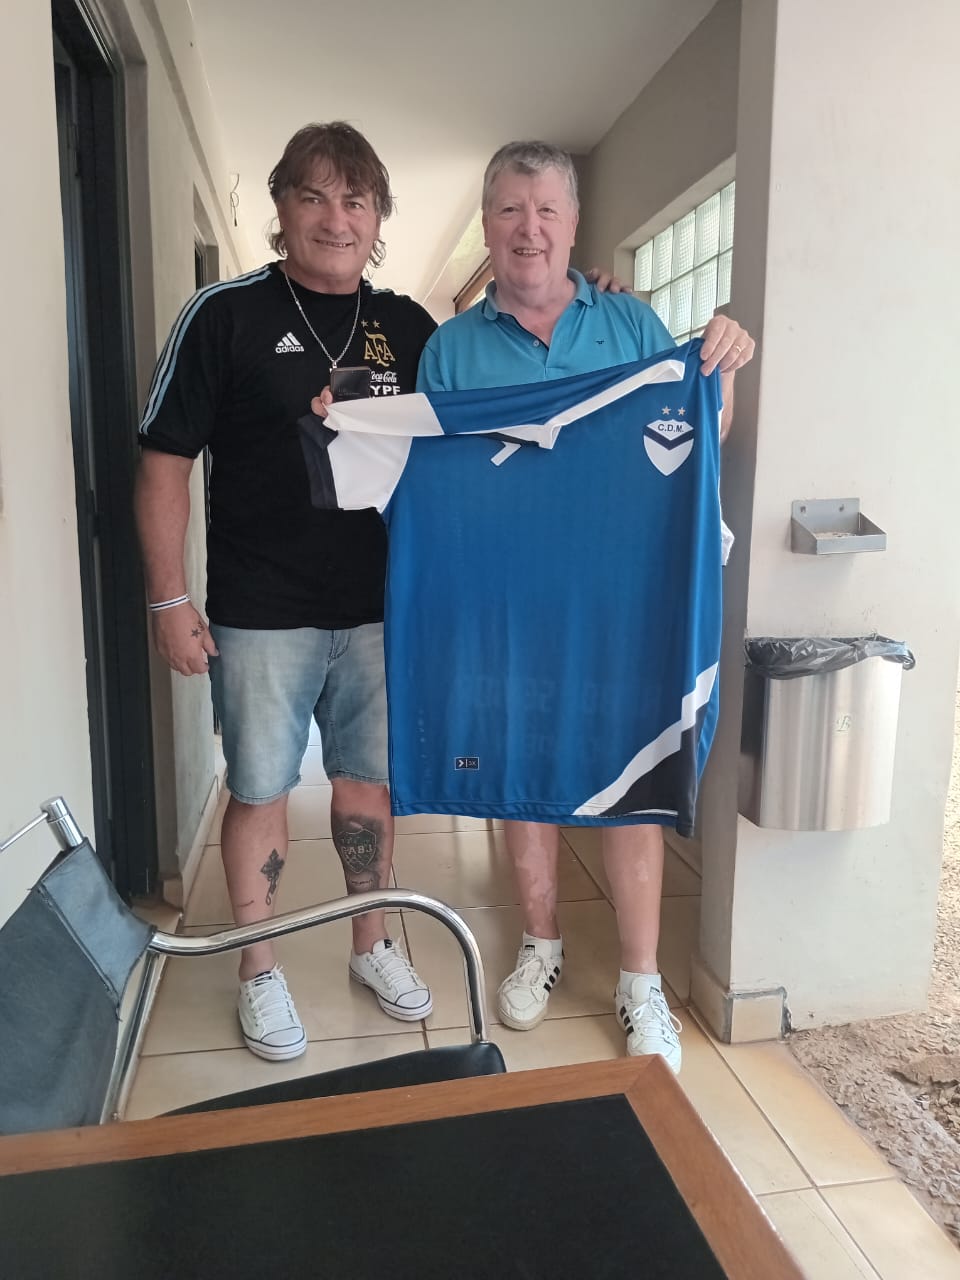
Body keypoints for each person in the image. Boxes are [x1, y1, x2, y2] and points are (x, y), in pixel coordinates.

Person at [415, 140, 755, 1072]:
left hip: (618, 606)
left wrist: (722, 364)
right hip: (507, 607)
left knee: (629, 781)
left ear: (572, 225)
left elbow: (698, 433)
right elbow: (429, 478)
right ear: (488, 226)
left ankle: (642, 982)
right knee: (520, 772)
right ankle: (541, 943)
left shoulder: (634, 325)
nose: (528, 229)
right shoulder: (451, 349)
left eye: (546, 211)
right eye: (509, 210)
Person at [134, 122, 438, 1061]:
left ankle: (370, 944)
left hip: (381, 608)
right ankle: (258, 969)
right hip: (261, 612)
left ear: (378, 218)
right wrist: (169, 601)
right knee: (261, 788)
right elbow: (163, 463)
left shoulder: (412, 328)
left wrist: (599, 301)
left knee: (367, 786)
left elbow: (490, 417)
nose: (335, 218)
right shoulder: (223, 316)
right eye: (313, 196)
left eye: (355, 200)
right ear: (280, 207)